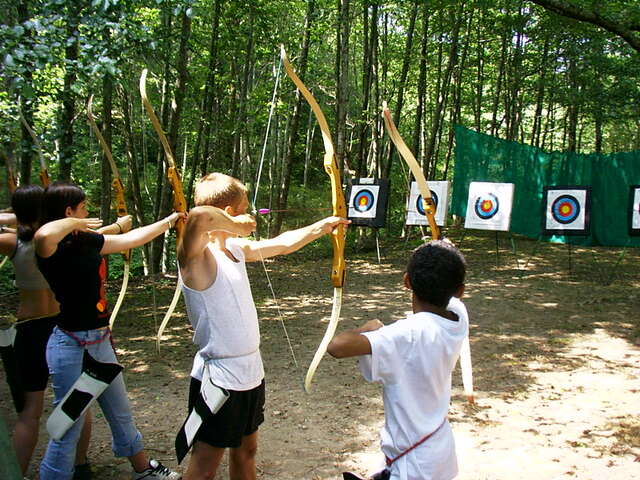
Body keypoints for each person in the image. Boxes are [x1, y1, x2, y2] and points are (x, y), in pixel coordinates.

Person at [177, 172, 349, 480]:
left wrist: (323, 227)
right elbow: (200, 216)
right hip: (218, 379)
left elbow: (282, 244)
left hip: (250, 373)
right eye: (245, 207)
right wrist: (236, 224)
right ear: (229, 212)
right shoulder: (195, 260)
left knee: (246, 451)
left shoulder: (237, 251)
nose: (251, 214)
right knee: (204, 466)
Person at [34, 181, 184, 480]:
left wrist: (170, 220)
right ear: (68, 212)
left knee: (120, 411)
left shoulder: (86, 241)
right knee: (68, 423)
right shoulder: (49, 248)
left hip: (100, 342)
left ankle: (142, 470)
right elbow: (44, 234)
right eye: (82, 208)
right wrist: (76, 222)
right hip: (70, 346)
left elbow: (131, 239)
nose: (87, 213)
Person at [0, 185, 129, 479]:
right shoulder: (58, 241)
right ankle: (78, 465)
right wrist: (119, 225)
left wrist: (10, 218)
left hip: (35, 329)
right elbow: (95, 237)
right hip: (61, 327)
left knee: (32, 411)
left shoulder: (14, 242)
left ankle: (24, 472)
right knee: (77, 402)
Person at [328, 240, 469, 480]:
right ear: (460, 290)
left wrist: (367, 328)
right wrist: (445, 255)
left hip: (413, 467)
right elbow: (450, 288)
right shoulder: (458, 316)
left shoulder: (405, 336)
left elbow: (337, 346)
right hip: (439, 453)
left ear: (406, 281)